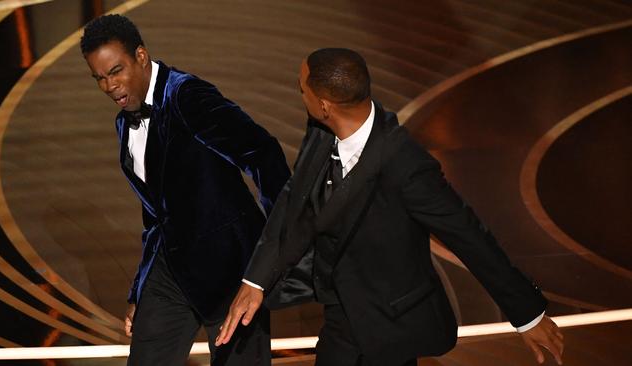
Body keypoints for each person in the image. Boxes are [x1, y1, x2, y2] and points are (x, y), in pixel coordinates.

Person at [216, 48, 565, 366]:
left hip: (391, 323)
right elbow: (298, 198)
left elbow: (468, 235)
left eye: (302, 89)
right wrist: (256, 280)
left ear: (325, 105)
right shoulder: (323, 129)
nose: (300, 93)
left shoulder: (406, 165)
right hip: (341, 313)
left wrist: (527, 314)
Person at [80, 14, 290, 366]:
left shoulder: (187, 96)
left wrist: (268, 257)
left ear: (141, 56)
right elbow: (155, 214)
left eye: (116, 71)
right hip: (171, 268)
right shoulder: (124, 122)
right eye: (99, 78)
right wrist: (140, 288)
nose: (109, 86)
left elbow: (264, 154)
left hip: (230, 270)